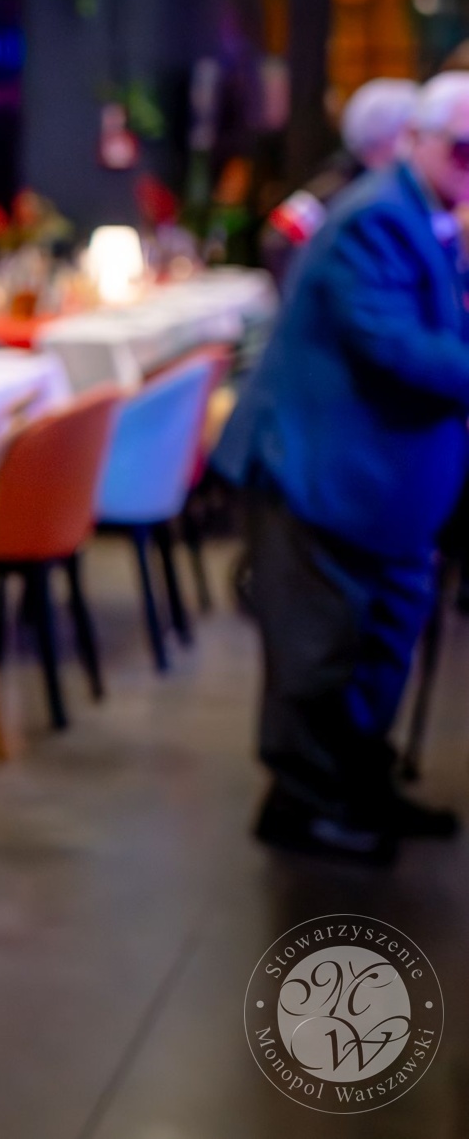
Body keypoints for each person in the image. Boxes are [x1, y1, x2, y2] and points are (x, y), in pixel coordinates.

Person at [215, 71, 469, 866]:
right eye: (463, 150)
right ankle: (304, 806)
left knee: (376, 647)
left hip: (382, 485)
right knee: (318, 652)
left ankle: (359, 786)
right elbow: (394, 347)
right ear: (416, 141)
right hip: (321, 476)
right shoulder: (376, 216)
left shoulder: (427, 214)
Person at [260, 77, 417, 291]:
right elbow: (279, 238)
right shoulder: (337, 186)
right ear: (391, 137)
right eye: (415, 135)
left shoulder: (399, 188)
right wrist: (318, 294)